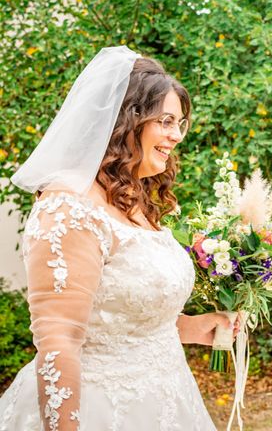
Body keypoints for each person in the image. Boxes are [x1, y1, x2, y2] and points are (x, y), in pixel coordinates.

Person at [0, 46, 238, 430]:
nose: (176, 136)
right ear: (127, 122)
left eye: (181, 123)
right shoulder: (68, 208)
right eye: (166, 121)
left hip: (168, 402)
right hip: (99, 410)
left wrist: (195, 327)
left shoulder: (135, 202)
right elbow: (58, 341)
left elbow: (122, 318)